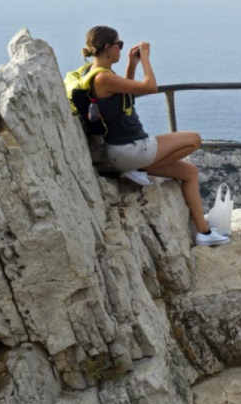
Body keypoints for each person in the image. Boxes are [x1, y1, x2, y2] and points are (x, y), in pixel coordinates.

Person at [82, 26, 229, 247]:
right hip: (129, 149)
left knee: (189, 172)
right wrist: (147, 59)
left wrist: (133, 64)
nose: (121, 49)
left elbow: (126, 95)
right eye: (118, 45)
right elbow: (150, 87)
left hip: (126, 150)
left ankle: (204, 233)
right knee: (194, 139)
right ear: (107, 48)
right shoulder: (102, 78)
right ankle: (138, 167)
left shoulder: (93, 73)